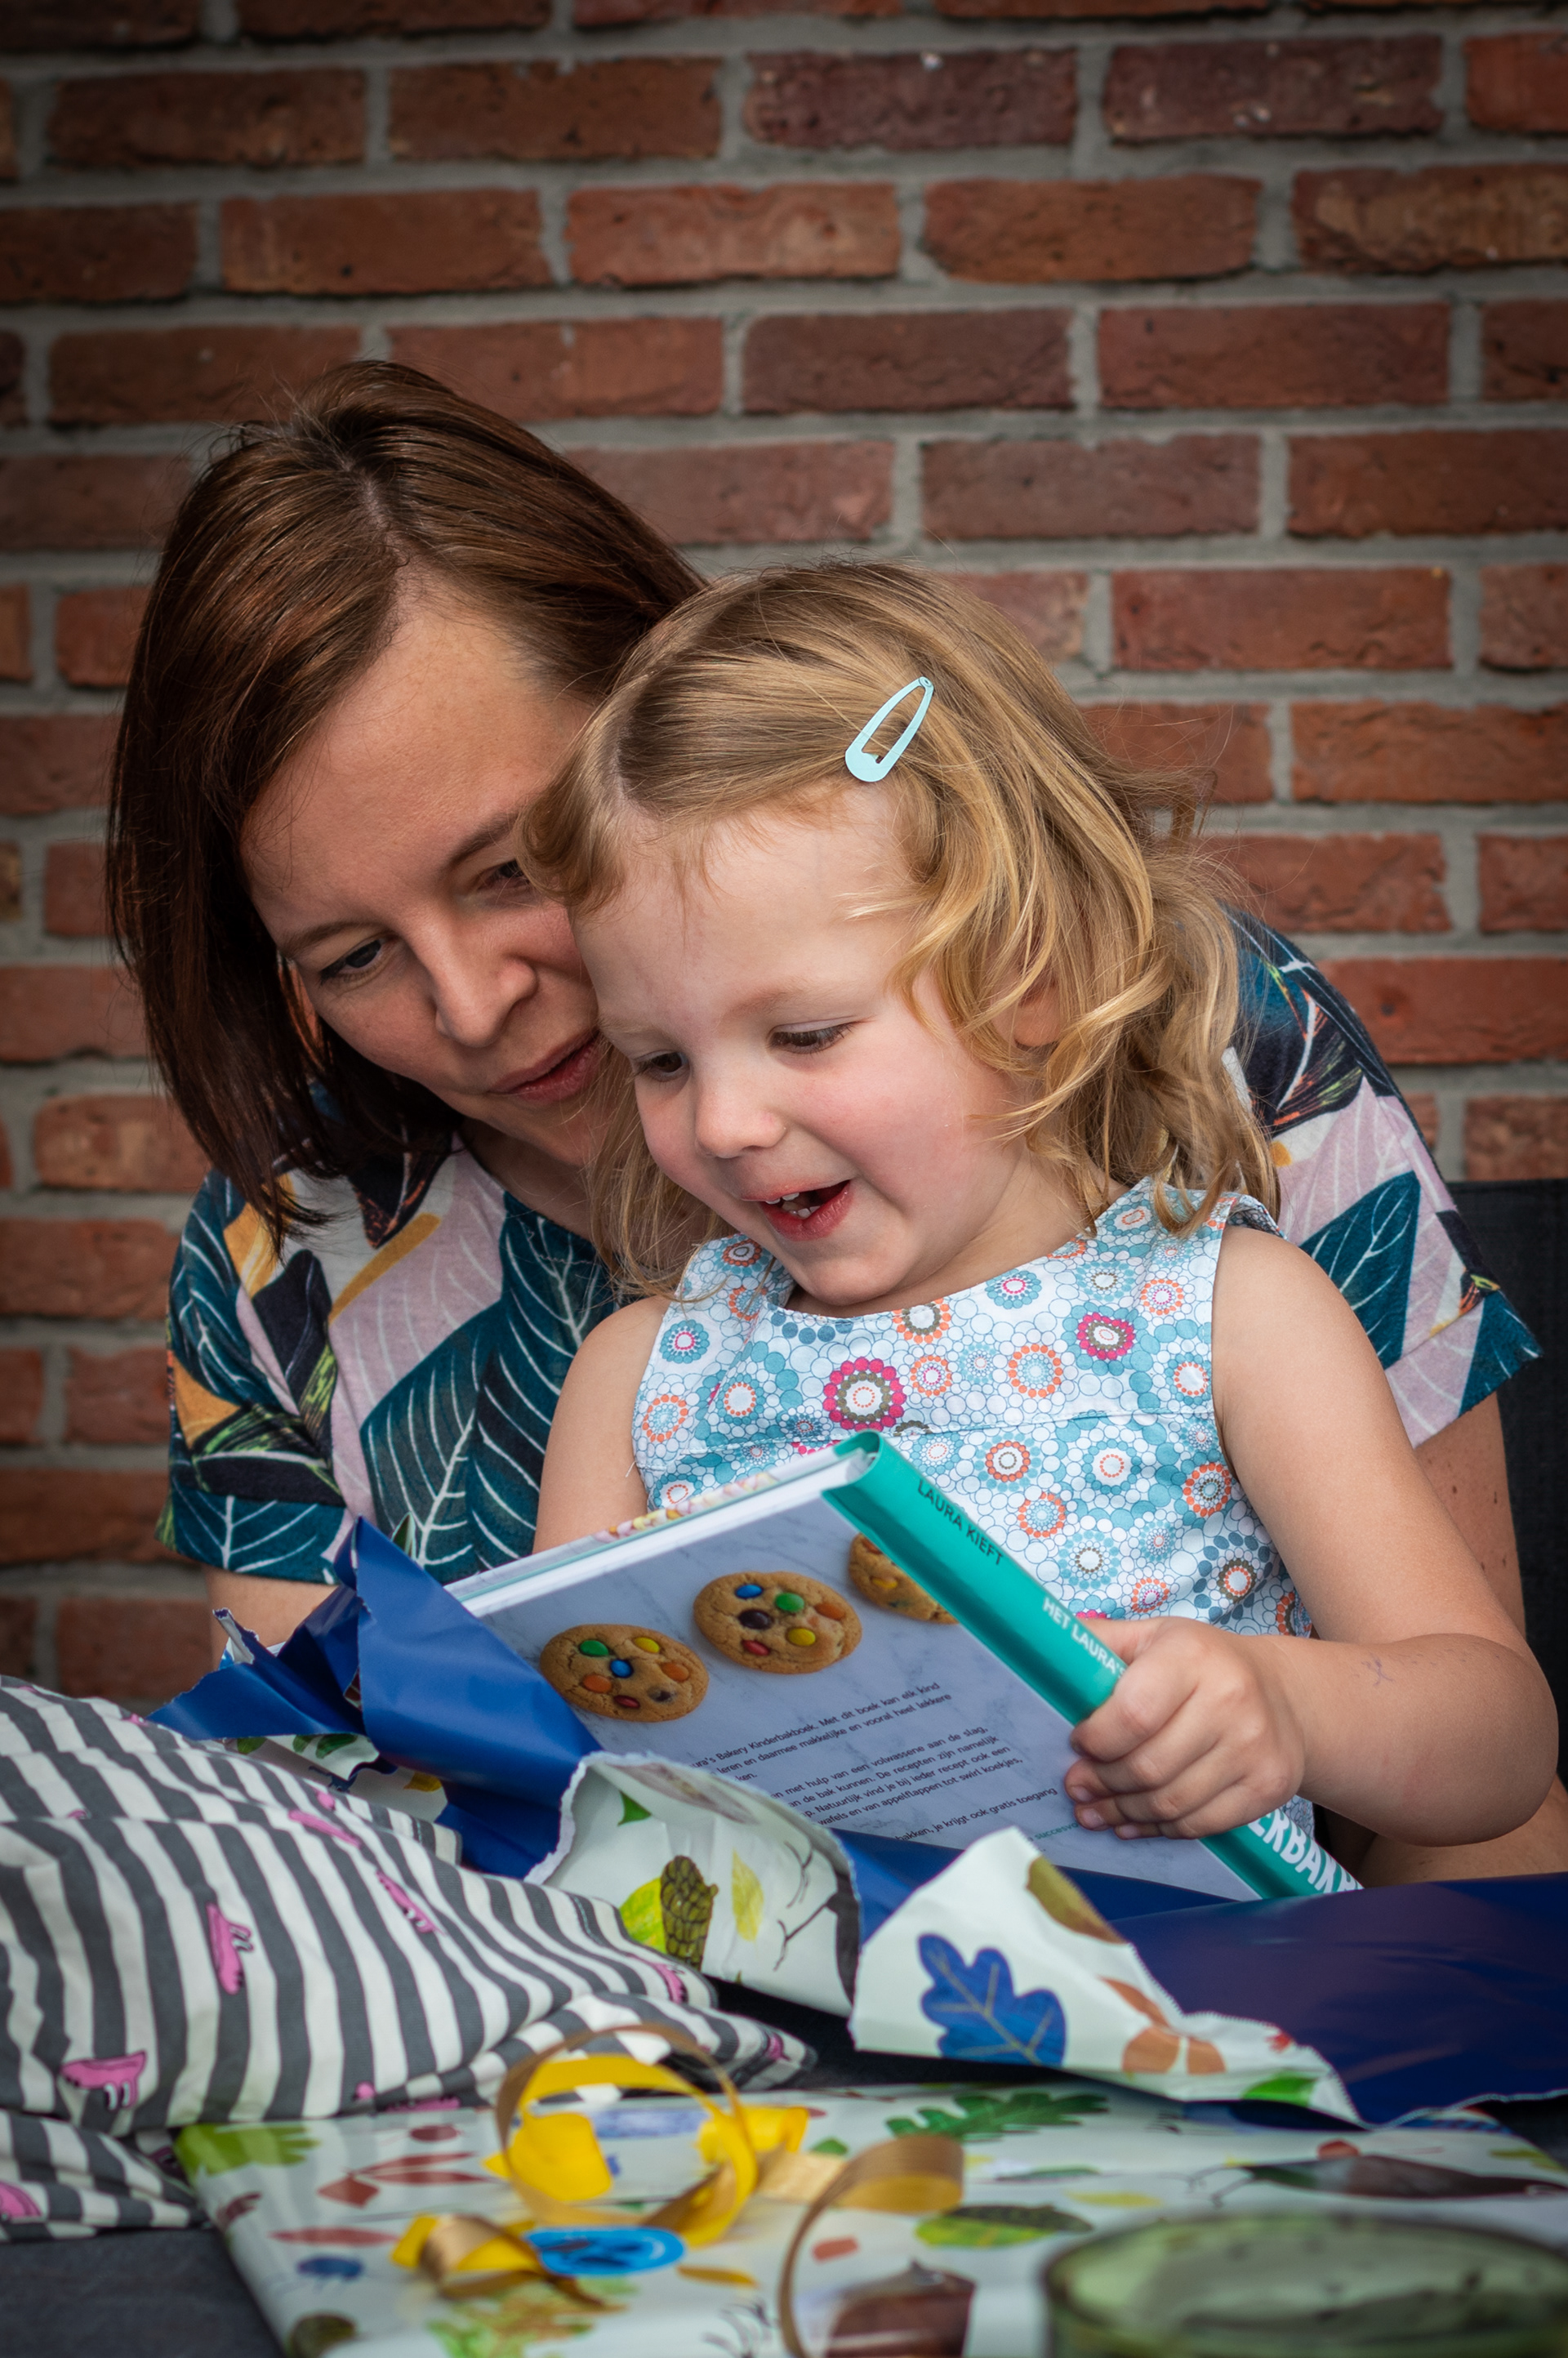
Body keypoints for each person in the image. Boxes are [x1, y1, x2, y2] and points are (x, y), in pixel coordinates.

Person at [108, 361, 1564, 1879]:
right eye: (352, 955)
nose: (472, 1011)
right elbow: (492, 1810)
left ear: (1030, 979)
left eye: (512, 869)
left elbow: (1487, 1767)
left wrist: (1287, 1707)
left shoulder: (1228, 1249)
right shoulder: (615, 1362)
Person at [526, 563, 1557, 1863]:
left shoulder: (1229, 1315)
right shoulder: (639, 1379)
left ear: (1031, 979)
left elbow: (1500, 1742)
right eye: (661, 1060)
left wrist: (1292, 1709)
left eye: (805, 1033)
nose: (723, 1122)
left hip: (1189, 1981)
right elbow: (573, 1777)